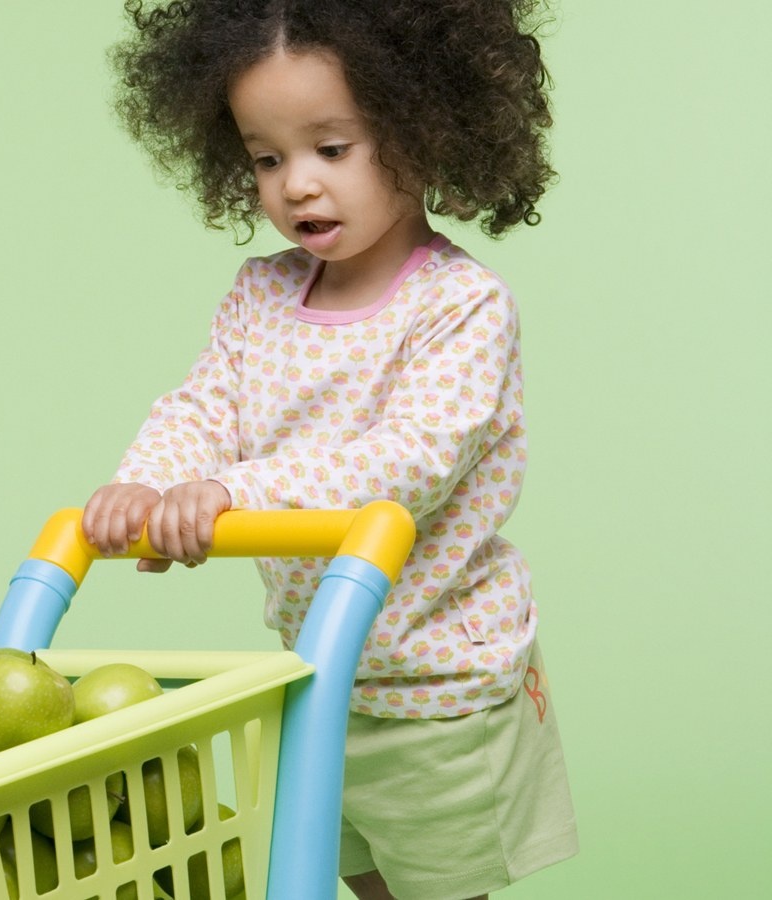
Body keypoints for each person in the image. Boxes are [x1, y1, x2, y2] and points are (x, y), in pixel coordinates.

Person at [81, 2, 578, 898]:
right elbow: (205, 406)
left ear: (423, 131)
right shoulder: (258, 296)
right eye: (268, 158)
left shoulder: (461, 308)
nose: (296, 185)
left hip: (435, 686)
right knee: (345, 874)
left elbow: (409, 461)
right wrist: (146, 485)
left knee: (437, 887)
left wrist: (229, 493)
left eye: (331, 149)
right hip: (319, 674)